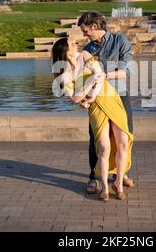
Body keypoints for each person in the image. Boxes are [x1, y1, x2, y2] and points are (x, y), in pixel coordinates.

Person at [51, 38, 133, 201]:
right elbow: (74, 99)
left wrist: (89, 96)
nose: (76, 43)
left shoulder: (85, 55)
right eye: (72, 43)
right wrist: (89, 87)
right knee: (104, 147)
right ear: (67, 51)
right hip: (95, 107)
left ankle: (118, 183)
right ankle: (104, 187)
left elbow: (100, 76)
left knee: (122, 142)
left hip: (111, 99)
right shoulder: (64, 73)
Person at [77, 11, 135, 195]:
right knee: (96, 139)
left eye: (86, 31)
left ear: (94, 26)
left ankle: (121, 174)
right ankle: (92, 177)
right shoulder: (88, 49)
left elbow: (128, 69)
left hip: (119, 95)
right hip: (97, 98)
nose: (84, 34)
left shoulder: (120, 41)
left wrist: (103, 75)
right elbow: (81, 77)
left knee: (125, 137)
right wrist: (83, 96)